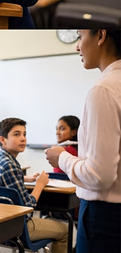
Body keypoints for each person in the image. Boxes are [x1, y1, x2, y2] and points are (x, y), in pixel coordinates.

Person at [45, 29, 121, 253]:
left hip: (106, 216)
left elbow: (100, 176)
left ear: (100, 36)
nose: (77, 46)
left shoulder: (103, 89)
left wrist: (63, 158)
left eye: (80, 36)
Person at [0, 118, 69, 253]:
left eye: (24, 134)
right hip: (16, 228)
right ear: (3, 139)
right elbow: (28, 207)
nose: (23, 139)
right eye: (17, 134)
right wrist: (40, 185)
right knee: (65, 230)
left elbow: (2, 181)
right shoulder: (11, 165)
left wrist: (25, 178)